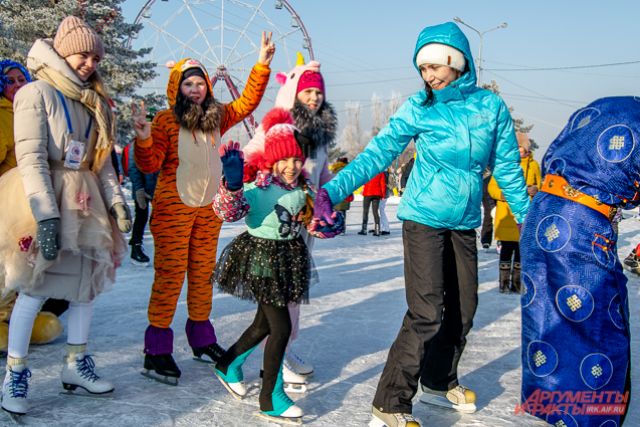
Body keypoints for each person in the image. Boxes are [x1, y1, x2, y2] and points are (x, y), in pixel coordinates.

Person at [311, 22, 530, 427]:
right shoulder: (419, 106)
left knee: (464, 309)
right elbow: (378, 153)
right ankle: (390, 402)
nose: (429, 75)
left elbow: (507, 169)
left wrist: (527, 219)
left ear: (458, 62)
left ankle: (438, 381)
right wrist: (333, 189)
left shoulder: (490, 108)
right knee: (427, 310)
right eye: (423, 68)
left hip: (463, 220)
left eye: (436, 66)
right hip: (424, 218)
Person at [0, 16, 131, 416]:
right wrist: (46, 216)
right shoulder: (36, 93)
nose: (89, 62)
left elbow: (101, 162)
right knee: (34, 287)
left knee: (84, 288)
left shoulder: (91, 101)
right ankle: (16, 373)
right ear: (61, 50)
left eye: (95, 56)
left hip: (85, 202)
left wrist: (117, 202)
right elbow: (32, 158)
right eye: (81, 53)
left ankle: (76, 363)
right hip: (44, 199)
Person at [131, 32, 275, 385]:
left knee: (201, 274)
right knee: (170, 276)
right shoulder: (165, 121)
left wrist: (261, 65)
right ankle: (157, 349)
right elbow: (149, 165)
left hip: (208, 210)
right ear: (176, 88)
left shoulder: (216, 116)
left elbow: (245, 105)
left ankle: (201, 338)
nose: (195, 89)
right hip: (173, 208)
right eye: (188, 84)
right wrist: (143, 137)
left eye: (200, 83)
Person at [519, 97, 639, 427]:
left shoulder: (609, 105)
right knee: (600, 336)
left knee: (550, 326)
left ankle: (558, 414)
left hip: (543, 215)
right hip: (582, 225)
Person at [212, 109, 317, 424]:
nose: (291, 166)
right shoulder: (258, 188)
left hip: (287, 261)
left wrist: (329, 211)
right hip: (260, 261)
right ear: (272, 160)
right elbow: (227, 211)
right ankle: (271, 396)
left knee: (263, 325)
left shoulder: (302, 190)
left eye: (297, 160)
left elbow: (318, 222)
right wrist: (231, 184)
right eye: (284, 160)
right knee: (281, 327)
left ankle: (228, 364)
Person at [243, 53, 337, 377]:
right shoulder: (279, 126)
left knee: (291, 289)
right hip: (278, 220)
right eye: (308, 91)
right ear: (294, 92)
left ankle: (279, 349)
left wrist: (336, 192)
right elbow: (252, 156)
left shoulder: (320, 133)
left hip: (305, 220)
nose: (314, 98)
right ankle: (275, 355)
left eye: (318, 93)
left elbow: (320, 174)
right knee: (279, 291)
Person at [0, 60, 68, 354]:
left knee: (30, 262)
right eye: (10, 81)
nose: (18, 85)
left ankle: (21, 318)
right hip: (8, 200)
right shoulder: (4, 116)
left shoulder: (35, 114)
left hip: (35, 201)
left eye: (21, 79)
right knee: (7, 263)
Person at [488, 132, 540, 293]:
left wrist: (536, 190)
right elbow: (492, 187)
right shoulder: (503, 165)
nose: (519, 151)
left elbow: (542, 184)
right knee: (506, 248)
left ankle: (517, 283)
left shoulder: (534, 165)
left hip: (525, 214)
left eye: (521, 147)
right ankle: (503, 282)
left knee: (520, 249)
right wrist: (502, 194)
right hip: (506, 214)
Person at [127, 138, 158, 266]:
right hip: (142, 187)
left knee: (161, 219)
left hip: (160, 188)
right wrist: (139, 188)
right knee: (141, 217)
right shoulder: (139, 143)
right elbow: (133, 167)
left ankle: (164, 249)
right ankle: (136, 247)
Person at [328, 157, 354, 235]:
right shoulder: (348, 171)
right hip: (345, 193)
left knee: (335, 211)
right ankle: (341, 229)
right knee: (342, 212)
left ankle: (335, 227)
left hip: (335, 192)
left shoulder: (334, 170)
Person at [358, 172, 386, 236]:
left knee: (365, 211)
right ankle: (377, 230)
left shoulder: (368, 172)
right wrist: (382, 195)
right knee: (375, 212)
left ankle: (364, 229)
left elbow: (362, 181)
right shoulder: (380, 173)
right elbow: (382, 184)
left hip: (368, 193)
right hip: (377, 194)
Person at [480, 167, 496, 249]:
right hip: (487, 191)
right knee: (489, 214)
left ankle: (501, 239)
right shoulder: (487, 180)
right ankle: (486, 240)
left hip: (499, 191)